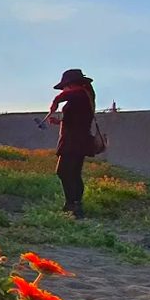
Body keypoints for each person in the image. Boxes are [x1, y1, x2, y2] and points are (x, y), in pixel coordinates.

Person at [45, 68, 96, 218]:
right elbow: (76, 119)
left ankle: (73, 205)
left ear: (72, 84)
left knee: (64, 172)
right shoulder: (83, 96)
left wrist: (55, 102)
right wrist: (60, 121)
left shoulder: (80, 93)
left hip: (74, 141)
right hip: (77, 140)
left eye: (65, 86)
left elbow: (65, 97)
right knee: (72, 173)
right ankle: (74, 204)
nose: (64, 89)